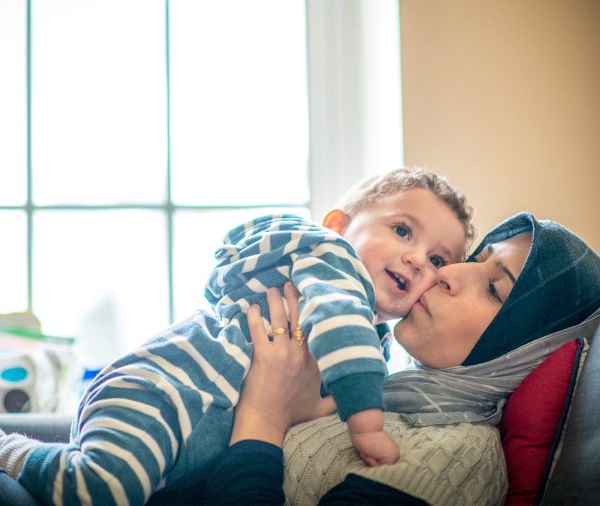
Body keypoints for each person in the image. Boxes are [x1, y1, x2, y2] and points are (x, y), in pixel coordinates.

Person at [0, 167, 474, 505]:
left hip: (188, 439)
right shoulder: (333, 262)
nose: (417, 259)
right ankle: (14, 451)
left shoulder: (378, 345)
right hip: (162, 391)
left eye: (438, 259)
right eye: (402, 230)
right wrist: (366, 426)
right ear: (339, 226)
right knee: (107, 488)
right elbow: (339, 325)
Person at [191, 212, 600, 505]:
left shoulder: (455, 457)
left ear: (527, 349)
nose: (447, 274)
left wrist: (262, 416)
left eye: (494, 290)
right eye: (475, 260)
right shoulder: (379, 385)